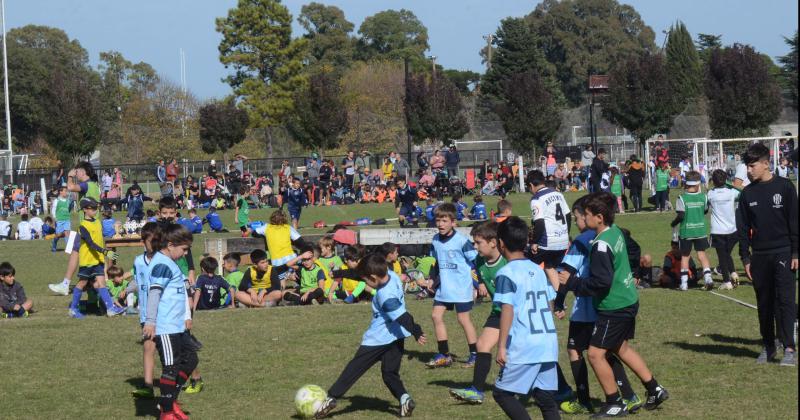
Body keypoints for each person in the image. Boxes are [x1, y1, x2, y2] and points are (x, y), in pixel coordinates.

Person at [560, 193, 669, 416]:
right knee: (621, 348)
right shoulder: (614, 231)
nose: (585, 218)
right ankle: (654, 388)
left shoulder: (600, 245)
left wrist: (573, 282)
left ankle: (613, 402)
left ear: (599, 217)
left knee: (594, 355)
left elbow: (601, 282)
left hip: (614, 307)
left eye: (587, 214)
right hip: (628, 299)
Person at [554, 196, 641, 414]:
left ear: (591, 216)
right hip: (606, 304)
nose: (578, 221)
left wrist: (559, 302)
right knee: (609, 350)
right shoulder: (612, 232)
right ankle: (629, 395)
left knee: (576, 349)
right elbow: (633, 250)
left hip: (587, 306)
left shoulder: (583, 242)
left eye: (579, 217)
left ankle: (585, 400)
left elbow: (566, 274)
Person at [314, 253, 426, 419]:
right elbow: (359, 274)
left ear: (373, 277)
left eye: (366, 280)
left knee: (354, 369)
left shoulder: (384, 296)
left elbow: (403, 317)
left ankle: (331, 398)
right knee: (389, 373)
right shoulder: (390, 274)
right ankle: (405, 399)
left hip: (378, 339)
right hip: (397, 337)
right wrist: (340, 274)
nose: (365, 282)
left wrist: (416, 330)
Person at [489, 216, 560, 420]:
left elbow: (507, 309)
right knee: (545, 398)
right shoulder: (537, 270)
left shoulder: (506, 273)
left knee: (502, 393)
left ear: (500, 243)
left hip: (525, 345)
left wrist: (501, 346)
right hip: (547, 342)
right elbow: (549, 302)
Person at [736, 143, 798, 366]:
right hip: (759, 256)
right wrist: (745, 257)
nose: (749, 170)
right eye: (747, 166)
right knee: (764, 303)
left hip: (783, 252)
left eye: (752, 166)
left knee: (785, 301)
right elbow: (742, 229)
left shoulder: (785, 187)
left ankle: (789, 347)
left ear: (765, 163)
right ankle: (769, 345)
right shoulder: (747, 193)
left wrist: (795, 252)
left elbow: (794, 222)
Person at [142, 224, 198, 420]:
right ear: (170, 244)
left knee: (191, 359)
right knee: (171, 367)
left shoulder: (170, 262)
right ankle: (166, 413)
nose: (185, 254)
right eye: (183, 249)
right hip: (165, 327)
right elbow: (154, 293)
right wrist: (150, 321)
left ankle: (170, 401)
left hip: (177, 326)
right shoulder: (161, 264)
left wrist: (186, 317)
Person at [449, 221, 507, 404]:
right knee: (482, 345)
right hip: (498, 311)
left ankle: (558, 389)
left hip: (516, 313)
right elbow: (480, 275)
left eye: (477, 243)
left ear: (493, 242)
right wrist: (480, 284)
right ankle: (476, 390)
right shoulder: (479, 261)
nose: (474, 247)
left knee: (520, 353)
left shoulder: (508, 261)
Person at [425, 203, 479, 368]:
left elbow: (475, 262)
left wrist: (477, 285)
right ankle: (444, 354)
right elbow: (436, 263)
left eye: (444, 221)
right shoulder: (435, 240)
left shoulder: (462, 241)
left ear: (454, 222)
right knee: (436, 316)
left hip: (461, 287)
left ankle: (475, 354)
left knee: (463, 319)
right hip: (444, 287)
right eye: (438, 220)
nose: (440, 224)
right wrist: (432, 279)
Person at [48, 161, 102, 296]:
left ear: (83, 172)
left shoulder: (86, 185)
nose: (75, 173)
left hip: (86, 226)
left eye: (77, 171)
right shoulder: (94, 185)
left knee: (82, 253)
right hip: (92, 226)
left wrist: (69, 176)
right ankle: (98, 282)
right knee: (89, 254)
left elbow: (70, 187)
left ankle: (66, 284)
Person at [68, 197, 124, 318]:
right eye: (92, 208)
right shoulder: (82, 227)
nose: (95, 210)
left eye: (96, 208)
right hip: (87, 261)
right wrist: (105, 252)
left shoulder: (98, 222)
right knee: (82, 284)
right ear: (84, 210)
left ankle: (110, 309)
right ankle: (73, 309)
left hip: (98, 260)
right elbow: (90, 243)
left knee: (101, 283)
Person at [527, 170, 571, 292]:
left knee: (527, 265)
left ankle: (531, 294)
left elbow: (539, 223)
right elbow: (568, 216)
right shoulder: (558, 194)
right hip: (562, 240)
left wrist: (535, 242)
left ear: (531, 185)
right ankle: (559, 298)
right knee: (549, 266)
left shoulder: (537, 198)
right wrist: (567, 235)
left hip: (547, 242)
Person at [670, 171, 714, 291]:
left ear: (686, 183)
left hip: (686, 231)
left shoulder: (682, 198)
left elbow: (681, 216)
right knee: (702, 254)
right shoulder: (704, 197)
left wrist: (673, 224)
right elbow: (705, 211)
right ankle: (708, 278)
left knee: (685, 256)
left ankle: (684, 284)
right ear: (698, 183)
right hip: (700, 230)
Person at [707, 170, 740, 290]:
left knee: (722, 256)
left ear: (713, 181)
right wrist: (732, 185)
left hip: (718, 231)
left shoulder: (710, 194)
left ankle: (727, 281)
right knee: (727, 254)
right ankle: (733, 273)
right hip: (732, 229)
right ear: (726, 179)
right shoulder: (732, 192)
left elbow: (706, 207)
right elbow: (743, 193)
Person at [50, 186, 72, 252]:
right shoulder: (57, 200)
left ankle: (69, 249)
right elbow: (53, 210)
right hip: (59, 220)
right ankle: (54, 244)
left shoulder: (68, 200)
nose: (66, 192)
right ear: (60, 192)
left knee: (67, 233)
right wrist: (55, 218)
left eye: (66, 191)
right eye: (65, 191)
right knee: (59, 235)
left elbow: (68, 209)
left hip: (67, 219)